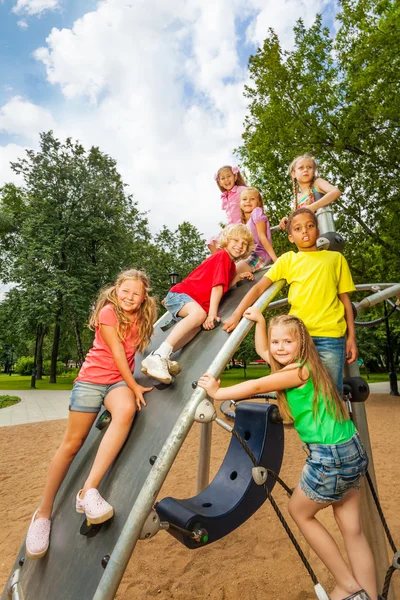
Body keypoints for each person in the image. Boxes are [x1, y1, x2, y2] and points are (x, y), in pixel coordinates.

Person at [198, 312, 377, 600]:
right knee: (352, 530)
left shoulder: (297, 372)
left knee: (300, 512)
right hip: (351, 449)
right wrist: (260, 323)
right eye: (275, 341)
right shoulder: (306, 366)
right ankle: (370, 594)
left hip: (330, 457)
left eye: (287, 342)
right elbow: (263, 351)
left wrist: (219, 392)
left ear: (301, 343)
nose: (279, 348)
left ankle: (347, 585)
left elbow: (257, 386)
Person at [25, 269, 157, 560]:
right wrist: (135, 384)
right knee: (73, 444)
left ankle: (88, 491)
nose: (129, 297)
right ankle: (42, 515)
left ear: (144, 296)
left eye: (136, 293)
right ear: (116, 289)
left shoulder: (143, 317)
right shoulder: (109, 312)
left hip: (117, 383)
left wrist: (132, 385)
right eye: (125, 291)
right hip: (92, 380)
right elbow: (118, 354)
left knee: (125, 411)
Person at [223, 208, 357, 393]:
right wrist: (237, 315)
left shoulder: (335, 259)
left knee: (331, 393)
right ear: (291, 237)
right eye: (298, 228)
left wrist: (351, 337)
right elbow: (259, 288)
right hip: (297, 337)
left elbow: (345, 300)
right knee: (297, 391)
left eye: (309, 226)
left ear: (317, 232)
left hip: (331, 336)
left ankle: (334, 422)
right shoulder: (288, 260)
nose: (304, 231)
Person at [142, 224, 254, 385]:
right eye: (235, 240)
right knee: (199, 316)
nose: (240, 246)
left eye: (244, 244)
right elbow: (216, 288)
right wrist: (211, 314)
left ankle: (160, 356)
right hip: (181, 295)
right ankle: (159, 355)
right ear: (226, 242)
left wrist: (237, 278)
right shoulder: (222, 255)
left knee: (195, 329)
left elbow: (223, 286)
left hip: (188, 299)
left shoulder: (230, 266)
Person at [280, 154, 341, 230]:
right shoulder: (297, 199)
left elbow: (335, 192)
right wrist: (288, 220)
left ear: (313, 171)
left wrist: (312, 207)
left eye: (309, 167)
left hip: (323, 233)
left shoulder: (317, 183)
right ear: (293, 173)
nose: (305, 170)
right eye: (301, 168)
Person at [208, 165, 248, 253]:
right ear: (220, 182)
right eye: (223, 178)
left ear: (235, 177)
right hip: (230, 227)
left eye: (229, 176)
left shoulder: (241, 190)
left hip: (241, 225)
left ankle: (229, 261)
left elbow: (252, 200)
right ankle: (222, 263)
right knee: (212, 242)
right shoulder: (225, 196)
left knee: (230, 244)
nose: (226, 180)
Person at [239, 186, 277, 270]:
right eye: (244, 199)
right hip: (250, 255)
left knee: (235, 271)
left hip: (260, 254)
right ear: (240, 203)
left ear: (258, 203)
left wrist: (275, 260)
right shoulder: (244, 224)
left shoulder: (257, 212)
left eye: (252, 199)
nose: (248, 201)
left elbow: (262, 236)